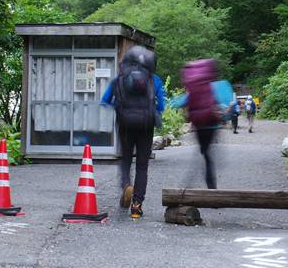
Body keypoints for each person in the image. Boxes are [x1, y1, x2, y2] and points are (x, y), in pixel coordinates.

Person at [100, 45, 165, 219]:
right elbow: (161, 106)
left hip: (125, 124)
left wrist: (120, 108)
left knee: (126, 159)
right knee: (142, 165)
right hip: (146, 125)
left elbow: (105, 100)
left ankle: (126, 184)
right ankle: (137, 205)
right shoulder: (154, 79)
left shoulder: (119, 79)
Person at [169, 58, 235, 189]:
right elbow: (227, 105)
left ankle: (191, 185)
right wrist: (225, 114)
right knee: (207, 156)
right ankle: (209, 188)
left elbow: (180, 102)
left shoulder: (196, 89)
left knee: (204, 154)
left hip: (199, 125)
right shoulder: (218, 86)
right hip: (212, 125)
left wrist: (167, 103)